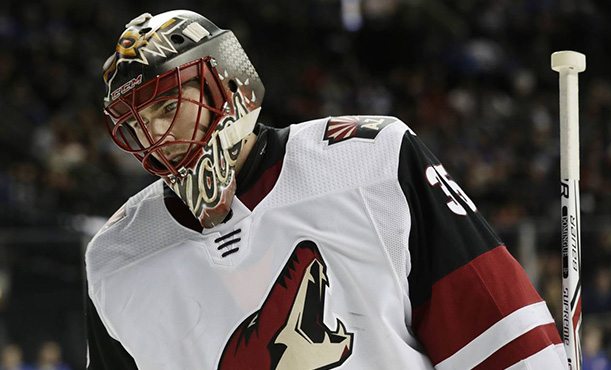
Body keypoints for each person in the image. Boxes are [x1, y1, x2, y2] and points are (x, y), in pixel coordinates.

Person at [85, 9, 568, 370]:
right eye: (138, 126)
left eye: (167, 107)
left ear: (226, 81)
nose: (155, 138)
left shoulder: (371, 160)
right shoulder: (117, 259)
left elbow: (502, 340)